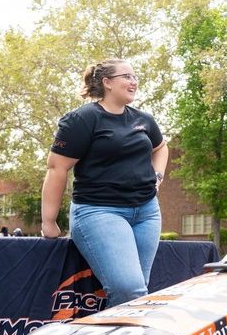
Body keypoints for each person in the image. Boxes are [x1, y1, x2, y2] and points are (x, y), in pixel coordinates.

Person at [41, 58, 168, 308]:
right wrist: (49, 221)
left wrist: (158, 177)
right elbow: (57, 168)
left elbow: (161, 147)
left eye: (135, 76)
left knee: (137, 293)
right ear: (107, 82)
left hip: (147, 213)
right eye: (127, 77)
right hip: (99, 211)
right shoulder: (83, 119)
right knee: (129, 289)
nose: (134, 81)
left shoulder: (144, 120)